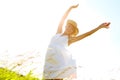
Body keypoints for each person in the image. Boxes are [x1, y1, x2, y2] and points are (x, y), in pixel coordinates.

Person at [43, 4, 110, 80]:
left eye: (71, 28)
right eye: (68, 26)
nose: (69, 28)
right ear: (65, 26)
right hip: (49, 61)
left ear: (73, 31)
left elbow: (86, 34)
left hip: (59, 64)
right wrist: (70, 8)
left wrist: (99, 27)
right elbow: (63, 18)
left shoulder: (70, 39)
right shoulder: (58, 33)